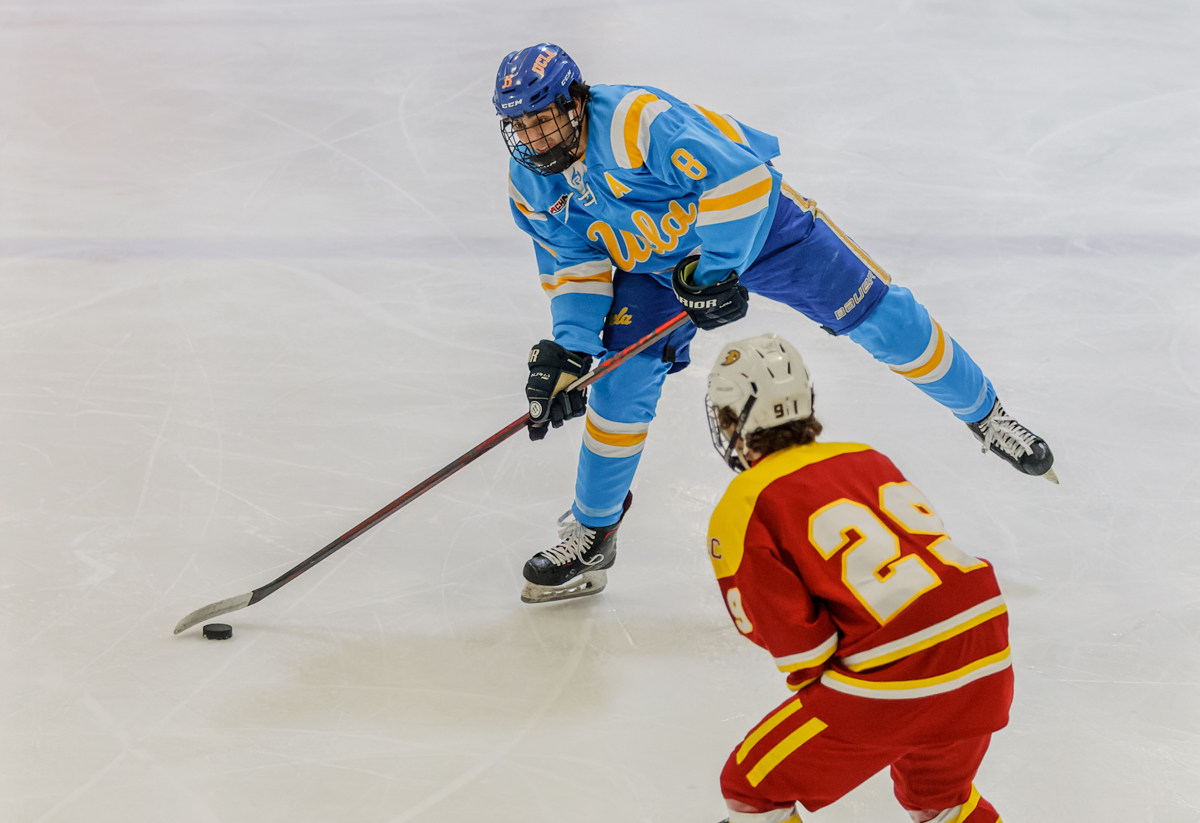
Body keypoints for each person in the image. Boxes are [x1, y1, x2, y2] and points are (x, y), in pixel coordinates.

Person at [495, 43, 1055, 604]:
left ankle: (987, 415)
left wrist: (715, 271)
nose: (533, 138)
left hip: (758, 230)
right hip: (656, 264)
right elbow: (576, 262)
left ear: (575, 102)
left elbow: (742, 184)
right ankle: (594, 531)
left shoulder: (640, 123)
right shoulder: (531, 182)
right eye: (519, 125)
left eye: (542, 118)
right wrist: (570, 352)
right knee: (617, 383)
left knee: (879, 316)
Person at [704, 333, 1011, 823]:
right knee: (939, 797)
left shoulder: (746, 503)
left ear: (731, 418)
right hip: (988, 651)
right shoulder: (866, 456)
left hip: (899, 674)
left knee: (752, 789)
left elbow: (804, 651)